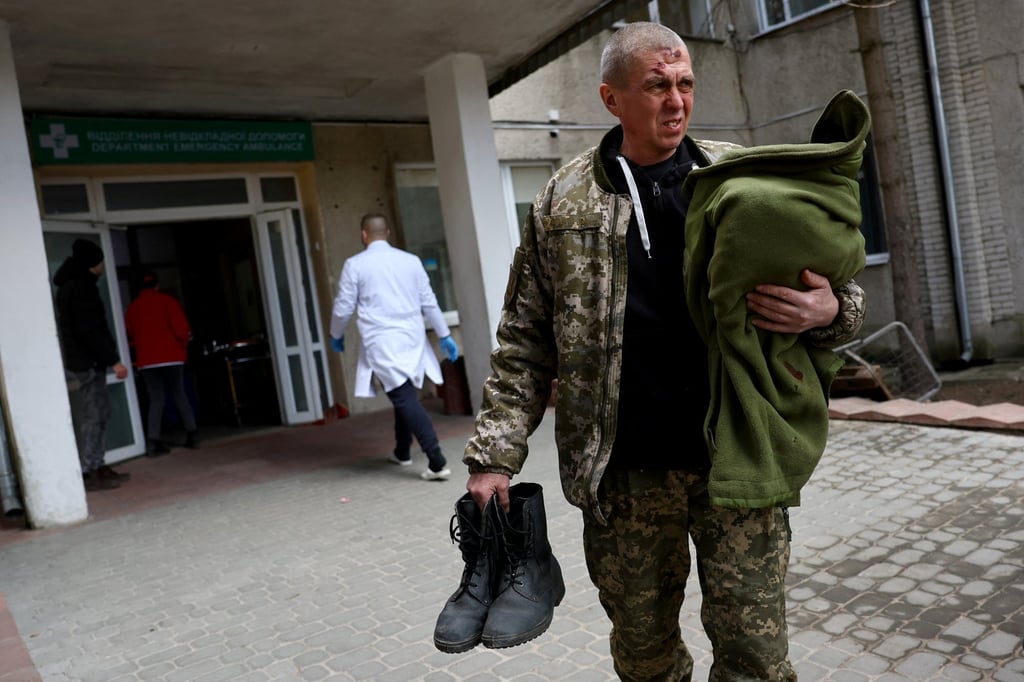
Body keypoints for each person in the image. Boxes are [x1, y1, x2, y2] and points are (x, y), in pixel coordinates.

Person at [462, 22, 866, 681]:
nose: (676, 100)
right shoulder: (562, 203)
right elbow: (523, 342)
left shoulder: (742, 181)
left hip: (735, 461)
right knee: (645, 659)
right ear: (611, 97)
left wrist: (830, 311)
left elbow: (840, 286)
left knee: (757, 659)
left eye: (685, 84)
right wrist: (493, 459)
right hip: (622, 476)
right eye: (656, 85)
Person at [329, 213, 461, 481]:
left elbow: (343, 307)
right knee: (404, 391)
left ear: (363, 235)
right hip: (412, 338)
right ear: (387, 232)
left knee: (403, 396)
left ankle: (437, 461)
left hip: (382, 341)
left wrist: (336, 334)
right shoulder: (410, 261)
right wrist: (444, 334)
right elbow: (429, 302)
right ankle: (402, 451)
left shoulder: (355, 265)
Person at [54, 238, 131, 491]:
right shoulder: (81, 288)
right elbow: (91, 330)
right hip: (88, 362)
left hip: (85, 360)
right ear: (90, 264)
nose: (102, 265)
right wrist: (114, 360)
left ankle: (96, 466)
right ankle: (90, 470)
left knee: (98, 414)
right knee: (94, 416)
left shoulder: (71, 286)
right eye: (100, 261)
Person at [125, 269, 199, 455]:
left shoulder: (133, 308)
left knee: (156, 399)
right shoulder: (169, 302)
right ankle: (191, 434)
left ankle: (154, 440)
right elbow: (182, 329)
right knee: (179, 394)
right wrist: (181, 349)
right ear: (157, 285)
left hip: (147, 360)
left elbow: (129, 334)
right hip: (172, 357)